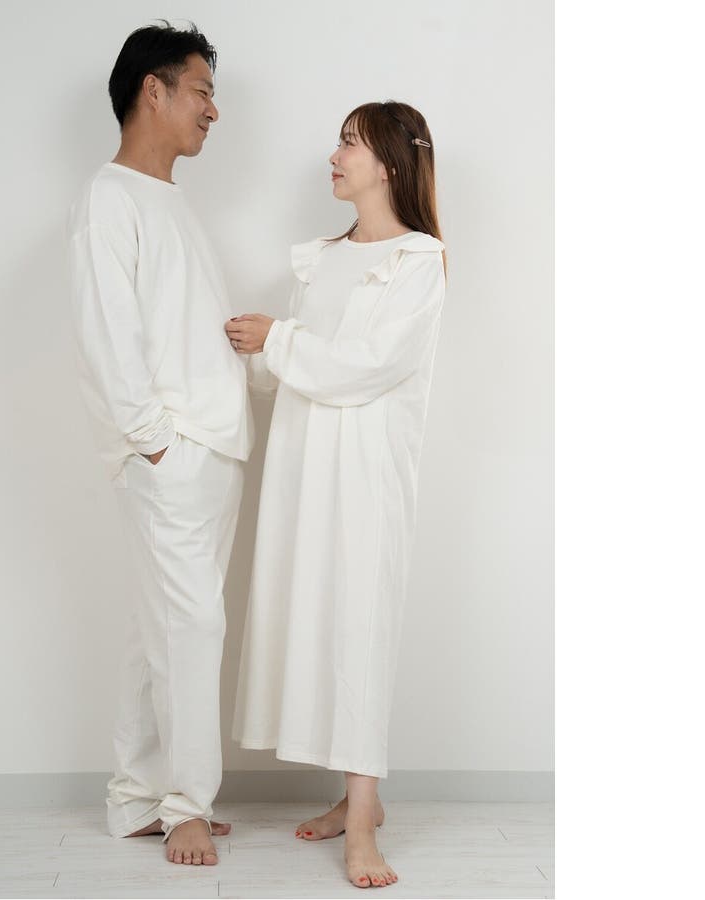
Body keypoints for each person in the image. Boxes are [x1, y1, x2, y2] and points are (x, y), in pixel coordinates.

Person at [226, 100, 446, 889]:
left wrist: (277, 341)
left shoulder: (418, 260)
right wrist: (249, 349)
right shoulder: (322, 258)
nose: (334, 156)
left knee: (359, 626)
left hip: (365, 469)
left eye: (349, 143)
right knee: (312, 619)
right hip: (302, 462)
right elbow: (289, 368)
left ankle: (360, 825)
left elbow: (371, 364)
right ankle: (356, 799)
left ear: (388, 162)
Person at [68, 22, 253, 867]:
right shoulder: (109, 198)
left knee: (161, 633)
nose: (213, 110)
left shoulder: (166, 199)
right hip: (174, 456)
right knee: (190, 629)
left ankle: (136, 798)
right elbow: (108, 336)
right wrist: (156, 446)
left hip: (207, 450)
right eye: (202, 91)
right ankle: (185, 807)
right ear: (155, 89)